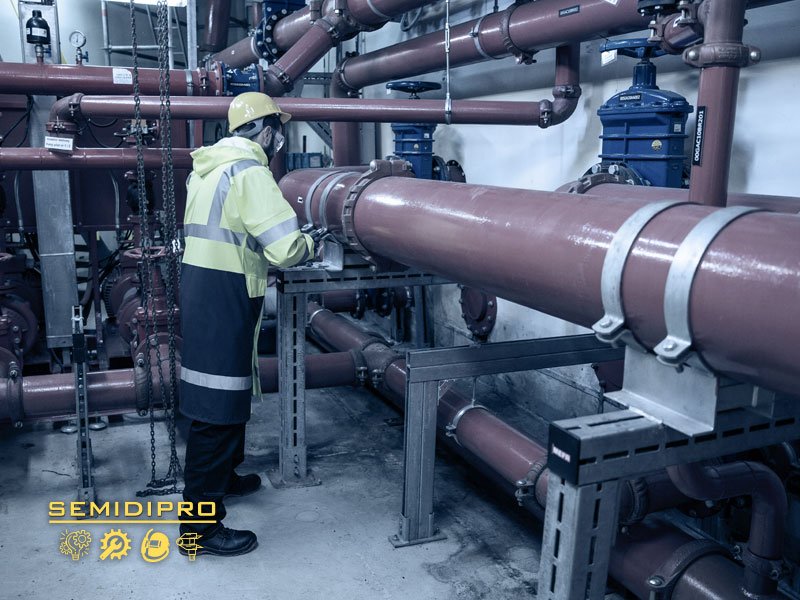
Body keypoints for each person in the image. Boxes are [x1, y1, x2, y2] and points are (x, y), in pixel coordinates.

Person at [178, 92, 316, 556]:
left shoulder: (209, 168)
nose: (280, 139)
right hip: (226, 292)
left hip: (204, 287)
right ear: (268, 131)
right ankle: (198, 529)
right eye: (279, 130)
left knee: (227, 392)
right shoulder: (250, 172)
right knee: (214, 409)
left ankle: (224, 477)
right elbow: (285, 248)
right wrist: (312, 245)